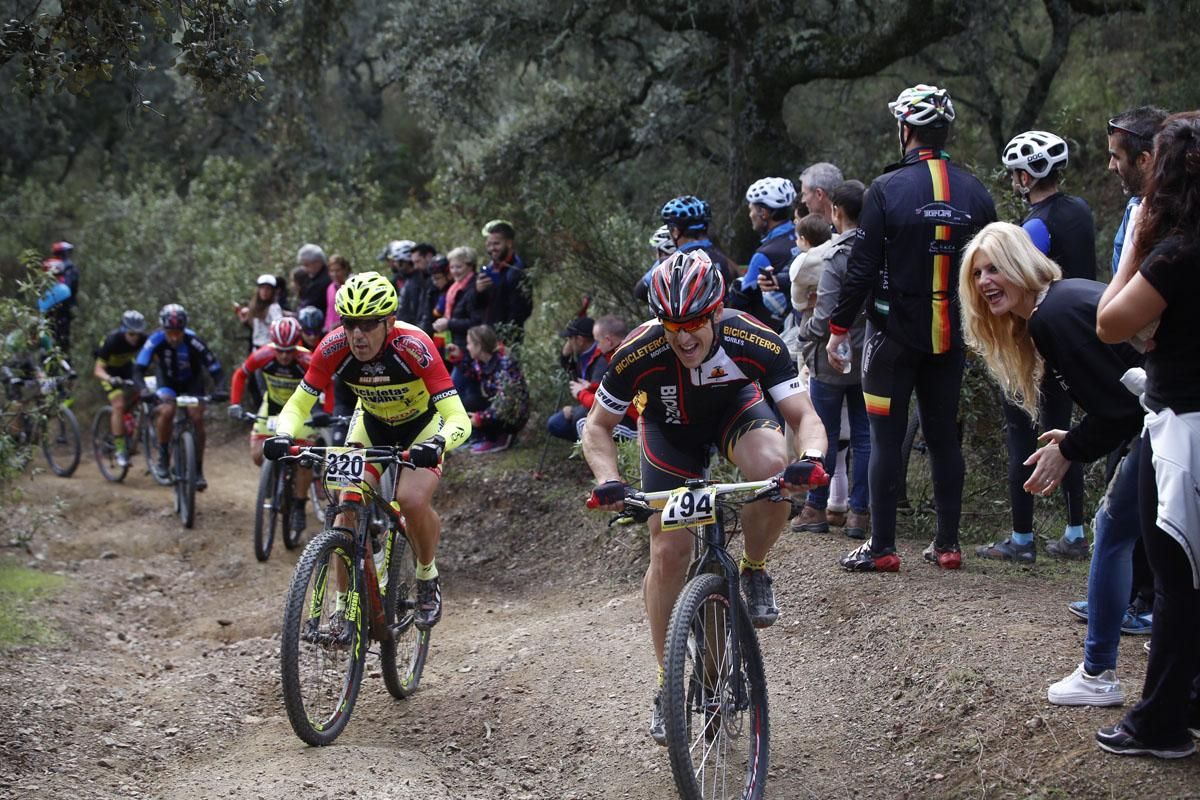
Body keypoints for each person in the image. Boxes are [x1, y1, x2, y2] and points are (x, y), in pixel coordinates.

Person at [581, 249, 828, 744]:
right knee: (668, 550)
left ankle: (755, 568)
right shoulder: (638, 350)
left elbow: (803, 416)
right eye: (672, 323)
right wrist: (608, 479)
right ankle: (666, 682)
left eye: (695, 321)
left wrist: (813, 457)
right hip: (669, 432)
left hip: (736, 414)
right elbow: (597, 428)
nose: (684, 335)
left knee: (771, 466)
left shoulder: (753, 338)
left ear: (716, 311)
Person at [959, 221, 1144, 708]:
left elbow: (1124, 410)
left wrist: (1071, 450)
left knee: (1113, 530)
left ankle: (1100, 672)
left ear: (1022, 264)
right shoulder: (1058, 304)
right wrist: (1075, 440)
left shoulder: (1052, 315)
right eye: (977, 274)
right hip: (1166, 416)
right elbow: (1123, 399)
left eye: (995, 268)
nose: (984, 283)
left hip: (1172, 417)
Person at [827, 84, 997, 572]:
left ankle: (882, 547)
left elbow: (861, 268)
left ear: (905, 129)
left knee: (884, 438)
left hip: (892, 336)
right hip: (951, 338)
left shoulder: (885, 189)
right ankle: (947, 546)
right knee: (944, 436)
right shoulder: (976, 191)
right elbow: (996, 264)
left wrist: (839, 328)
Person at [263, 272, 471, 631]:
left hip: (422, 425)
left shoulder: (414, 346)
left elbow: (458, 418)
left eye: (368, 324)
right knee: (346, 507)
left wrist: (437, 444)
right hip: (371, 423)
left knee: (410, 499)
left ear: (389, 322)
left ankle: (426, 575)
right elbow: (298, 405)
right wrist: (282, 434)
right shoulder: (332, 347)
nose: (357, 334)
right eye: (349, 323)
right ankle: (344, 609)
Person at [1094, 110, 1200, 760]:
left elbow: (1110, 320)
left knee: (1175, 578)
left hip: (1184, 430)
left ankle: (1161, 722)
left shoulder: (1177, 254)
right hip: (1181, 420)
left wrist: (1138, 235)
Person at [974, 130, 1096, 563]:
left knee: (1022, 434)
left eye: (1015, 175)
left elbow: (1024, 279)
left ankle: (1022, 538)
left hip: (1038, 342)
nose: (1013, 181)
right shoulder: (1080, 210)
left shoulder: (1035, 225)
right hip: (1078, 335)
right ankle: (1075, 532)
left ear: (1026, 177)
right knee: (1068, 436)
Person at [795, 180, 871, 539]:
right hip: (870, 353)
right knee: (865, 437)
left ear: (836, 212)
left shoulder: (833, 256)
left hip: (831, 357)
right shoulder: (880, 249)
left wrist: (804, 333)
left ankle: (815, 507)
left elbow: (825, 316)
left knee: (820, 433)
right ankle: (860, 514)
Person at [228, 317, 322, 532]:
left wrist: (324, 412)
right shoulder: (263, 354)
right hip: (271, 406)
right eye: (280, 350)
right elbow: (240, 375)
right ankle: (273, 476)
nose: (284, 355)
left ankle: (299, 506)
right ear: (273, 345)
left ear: (297, 344)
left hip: (301, 411)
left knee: (304, 459)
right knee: (257, 454)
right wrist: (234, 404)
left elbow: (329, 384)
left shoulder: (307, 359)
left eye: (289, 350)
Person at [133, 304, 224, 489]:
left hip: (192, 382)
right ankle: (164, 456)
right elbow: (138, 368)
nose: (174, 336)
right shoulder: (155, 339)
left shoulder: (193, 340)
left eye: (178, 332)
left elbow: (215, 368)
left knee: (197, 417)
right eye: (170, 332)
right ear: (163, 329)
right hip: (167, 382)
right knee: (166, 411)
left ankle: (198, 470)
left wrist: (220, 389)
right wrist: (142, 389)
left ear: (184, 329)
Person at [1106, 106, 1171, 276]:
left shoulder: (1158, 217)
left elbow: (1122, 297)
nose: (1110, 166)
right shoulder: (1135, 206)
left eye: (1116, 156)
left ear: (1144, 160)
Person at [734, 177, 797, 332]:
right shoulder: (802, 235)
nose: (750, 215)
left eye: (751, 209)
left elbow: (740, 298)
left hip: (775, 332)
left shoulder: (764, 255)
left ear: (763, 212)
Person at [93, 310, 149, 468]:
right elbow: (97, 370)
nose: (135, 337)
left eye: (138, 333)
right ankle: (120, 450)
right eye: (131, 333)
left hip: (127, 368)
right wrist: (110, 379)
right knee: (118, 405)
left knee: (144, 392)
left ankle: (130, 422)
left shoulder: (143, 339)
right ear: (124, 330)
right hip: (109, 372)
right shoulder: (112, 341)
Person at [462, 324, 530, 453]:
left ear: (479, 345)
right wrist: (458, 358)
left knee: (485, 410)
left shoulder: (505, 364)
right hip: (498, 405)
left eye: (469, 343)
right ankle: (487, 437)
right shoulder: (482, 362)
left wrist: (481, 418)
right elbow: (471, 372)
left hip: (513, 414)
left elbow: (506, 403)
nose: (467, 347)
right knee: (470, 402)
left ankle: (503, 436)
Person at [432, 246, 485, 408]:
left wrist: (448, 323)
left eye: (459, 267)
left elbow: (475, 322)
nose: (454, 271)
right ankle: (480, 428)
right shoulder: (455, 288)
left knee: (452, 396)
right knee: (472, 394)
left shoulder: (473, 289)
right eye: (452, 267)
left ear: (470, 266)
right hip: (458, 346)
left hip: (470, 349)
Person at [657, 195, 738, 299]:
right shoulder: (723, 259)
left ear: (675, 231)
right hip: (720, 313)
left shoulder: (668, 262)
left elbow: (639, 291)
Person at [571, 315, 636, 441]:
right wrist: (590, 387)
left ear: (608, 341)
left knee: (583, 424)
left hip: (638, 425)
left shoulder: (621, 362)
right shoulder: (622, 353)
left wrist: (580, 393)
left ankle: (608, 459)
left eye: (597, 341)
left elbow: (602, 403)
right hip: (628, 416)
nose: (597, 347)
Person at [546, 316, 601, 442]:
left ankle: (593, 448)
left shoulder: (600, 359)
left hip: (599, 410)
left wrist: (574, 410)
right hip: (587, 404)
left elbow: (599, 401)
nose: (568, 342)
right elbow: (569, 368)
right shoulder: (582, 355)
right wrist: (565, 355)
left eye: (570, 338)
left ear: (580, 340)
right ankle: (586, 444)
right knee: (555, 423)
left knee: (578, 417)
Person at [475, 220, 533, 338]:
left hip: (508, 337)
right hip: (486, 335)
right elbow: (478, 306)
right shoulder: (490, 268)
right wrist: (478, 291)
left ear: (509, 243)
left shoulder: (518, 270)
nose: (492, 248)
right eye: (489, 244)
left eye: (496, 244)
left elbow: (522, 309)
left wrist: (507, 335)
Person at [235, 274, 284, 350]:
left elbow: (279, 327)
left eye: (268, 289)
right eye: (262, 288)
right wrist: (246, 321)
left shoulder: (273, 307)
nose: (264, 291)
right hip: (256, 347)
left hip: (269, 347)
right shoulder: (255, 306)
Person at [632, 226, 677, 302]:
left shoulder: (663, 263)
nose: (656, 255)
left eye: (657, 251)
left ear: (663, 251)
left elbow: (639, 291)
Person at [37, 258, 73, 351]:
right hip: (51, 333)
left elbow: (43, 308)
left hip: (58, 333)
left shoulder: (62, 289)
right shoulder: (49, 291)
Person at [297, 244, 331, 312]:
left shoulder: (324, 280)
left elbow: (310, 303)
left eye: (306, 265)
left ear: (317, 262)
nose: (304, 269)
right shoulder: (312, 278)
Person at [324, 254, 352, 334]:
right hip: (332, 333)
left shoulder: (351, 287)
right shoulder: (330, 288)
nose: (334, 274)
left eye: (338, 270)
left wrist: (340, 324)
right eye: (332, 271)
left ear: (345, 269)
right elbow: (329, 311)